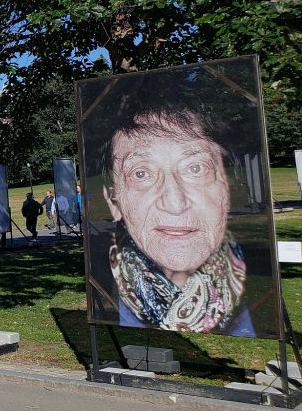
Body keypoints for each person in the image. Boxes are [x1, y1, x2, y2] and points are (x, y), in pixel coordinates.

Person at [100, 107, 252, 335]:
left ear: (227, 188)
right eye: (141, 173)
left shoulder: (262, 302)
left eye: (195, 168)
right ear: (114, 202)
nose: (174, 202)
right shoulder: (108, 295)